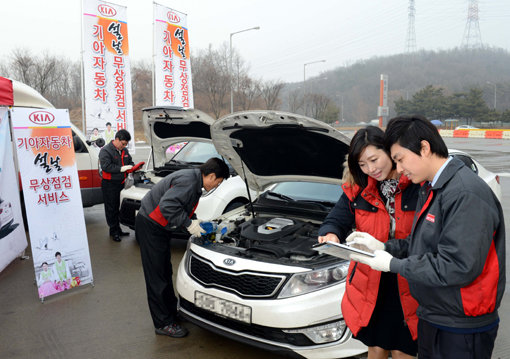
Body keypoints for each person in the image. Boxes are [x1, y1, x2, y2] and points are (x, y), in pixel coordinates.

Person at [349, 115, 505, 359]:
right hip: (434, 314)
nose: (398, 169)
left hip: (461, 324)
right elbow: (423, 243)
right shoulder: (432, 187)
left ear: (424, 147)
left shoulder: (464, 193)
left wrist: (393, 264)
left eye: (400, 159)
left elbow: (458, 265)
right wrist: (385, 246)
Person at [318, 126, 420, 359]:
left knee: (403, 349)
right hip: (372, 282)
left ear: (390, 152)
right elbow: (336, 219)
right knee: (375, 346)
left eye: (374, 159)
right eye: (362, 165)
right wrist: (331, 233)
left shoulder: (417, 184)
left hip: (408, 280)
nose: (371, 169)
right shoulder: (359, 188)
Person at [136, 157, 230, 338]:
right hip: (150, 225)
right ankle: (163, 324)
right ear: (210, 176)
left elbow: (181, 205)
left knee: (165, 271)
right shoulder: (189, 181)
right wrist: (189, 224)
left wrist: (194, 221)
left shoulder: (194, 180)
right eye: (217, 182)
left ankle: (172, 312)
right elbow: (167, 206)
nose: (216, 186)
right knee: (156, 276)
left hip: (159, 226)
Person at [99, 129, 134, 242]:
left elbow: (130, 161)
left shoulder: (124, 151)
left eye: (126, 144)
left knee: (118, 208)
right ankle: (114, 231)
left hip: (121, 183)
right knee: (111, 209)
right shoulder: (105, 151)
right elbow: (106, 167)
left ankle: (117, 230)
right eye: (123, 143)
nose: (124, 146)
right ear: (117, 139)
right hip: (109, 184)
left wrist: (133, 166)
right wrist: (121, 169)